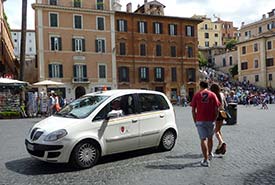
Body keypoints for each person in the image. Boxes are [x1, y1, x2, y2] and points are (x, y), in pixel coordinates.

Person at [190, 80, 220, 167]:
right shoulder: (213, 94)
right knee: (210, 138)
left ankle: (206, 160)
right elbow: (217, 108)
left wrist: (195, 120)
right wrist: (215, 118)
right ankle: (210, 154)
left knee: (203, 139)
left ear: (200, 86)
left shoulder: (197, 95)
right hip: (210, 120)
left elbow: (193, 110)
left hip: (200, 119)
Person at [210, 83, 227, 155]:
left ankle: (221, 142)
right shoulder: (222, 94)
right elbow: (226, 104)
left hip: (217, 113)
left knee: (216, 131)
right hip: (223, 113)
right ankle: (219, 147)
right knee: (219, 130)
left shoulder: (213, 95)